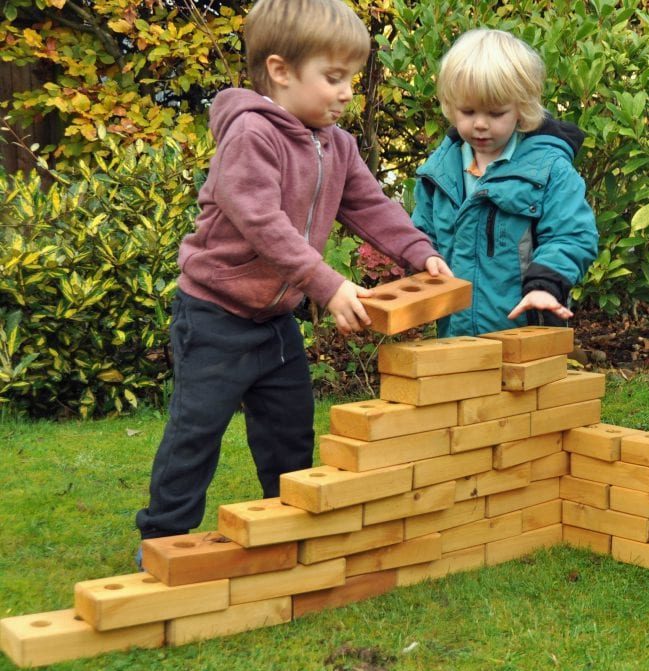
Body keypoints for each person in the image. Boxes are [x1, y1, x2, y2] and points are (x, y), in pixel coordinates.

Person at [135, 0, 450, 553]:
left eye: (351, 77)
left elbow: (371, 206)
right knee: (196, 431)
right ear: (280, 70)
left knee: (289, 428)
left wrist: (418, 252)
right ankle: (162, 537)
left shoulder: (337, 143)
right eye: (333, 78)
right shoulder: (251, 136)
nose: (348, 91)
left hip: (276, 322)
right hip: (215, 317)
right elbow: (261, 222)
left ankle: (287, 526)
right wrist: (327, 285)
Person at [411, 28, 598, 337]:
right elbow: (422, 234)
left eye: (496, 113)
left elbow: (572, 235)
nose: (481, 124)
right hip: (454, 332)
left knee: (523, 386)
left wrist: (546, 287)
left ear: (522, 109)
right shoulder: (439, 172)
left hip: (525, 329)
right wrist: (420, 264)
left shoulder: (548, 169)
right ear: (449, 104)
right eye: (468, 111)